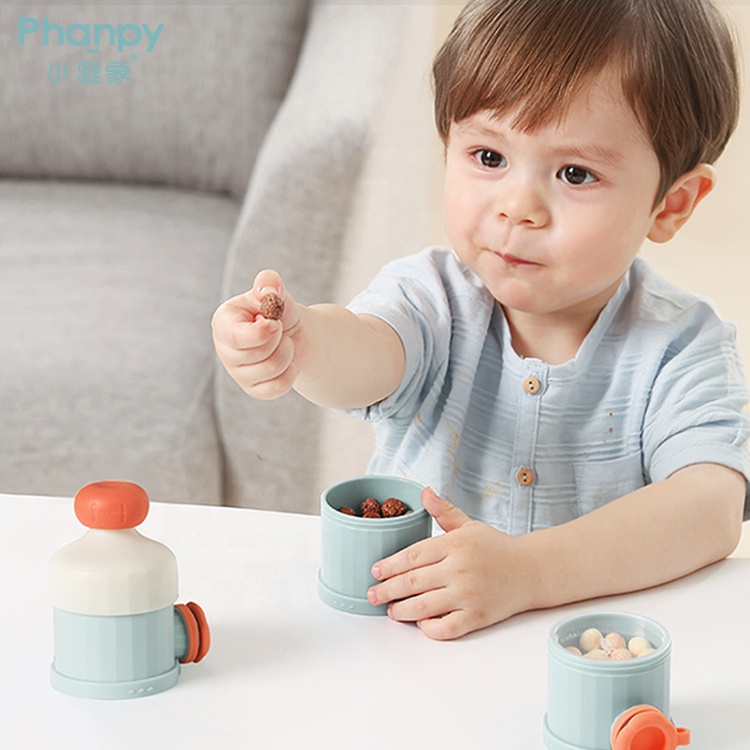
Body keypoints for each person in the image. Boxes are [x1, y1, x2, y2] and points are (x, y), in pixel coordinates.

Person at [212, 0, 750, 640]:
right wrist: (300, 344)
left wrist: (530, 572)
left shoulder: (681, 345)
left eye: (575, 173)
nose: (517, 207)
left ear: (672, 203)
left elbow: (711, 506)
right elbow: (368, 355)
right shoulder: (434, 296)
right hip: (417, 644)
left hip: (589, 655)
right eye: (488, 157)